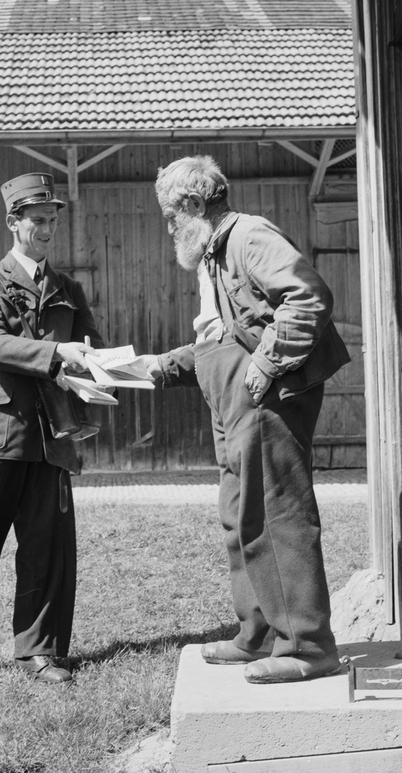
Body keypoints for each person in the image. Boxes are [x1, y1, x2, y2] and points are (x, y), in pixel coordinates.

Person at [142, 155, 351, 684]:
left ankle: (308, 645)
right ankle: (257, 635)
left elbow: (308, 296)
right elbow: (222, 341)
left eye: (171, 215)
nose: (169, 227)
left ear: (192, 205)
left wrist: (268, 361)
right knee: (240, 518)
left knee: (276, 513)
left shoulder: (249, 236)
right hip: (234, 403)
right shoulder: (213, 257)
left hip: (268, 399)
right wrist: (166, 366)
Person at [0, 172, 104, 689]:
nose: (48, 228)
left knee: (47, 546)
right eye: (39, 220)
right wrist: (57, 353)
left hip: (51, 435)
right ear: (14, 222)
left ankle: (40, 651)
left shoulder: (69, 289)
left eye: (53, 219)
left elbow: (92, 347)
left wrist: (100, 374)